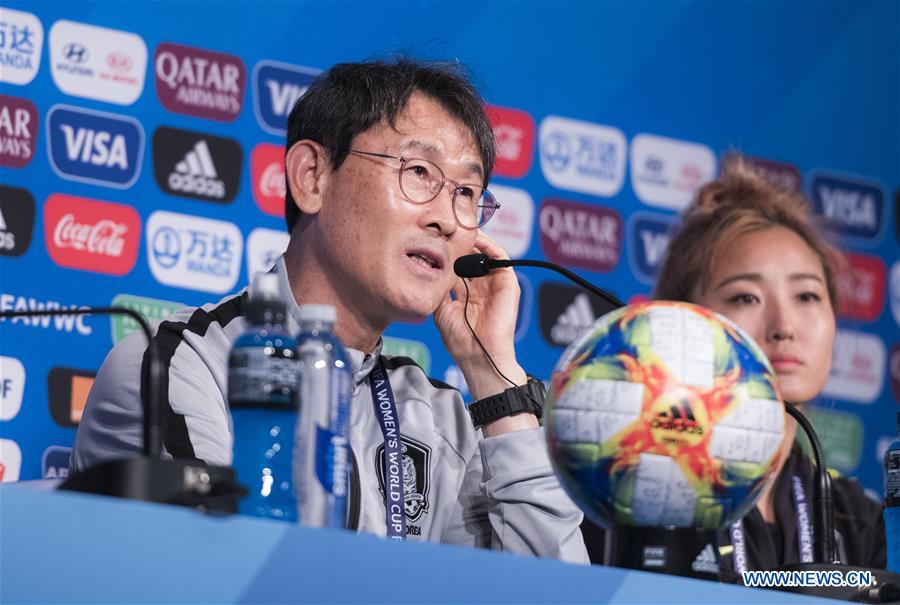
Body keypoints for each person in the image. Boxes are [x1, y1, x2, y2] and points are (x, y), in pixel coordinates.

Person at [71, 57, 587, 561]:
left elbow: (557, 594)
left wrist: (494, 378)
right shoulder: (179, 364)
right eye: (419, 172)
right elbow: (227, 573)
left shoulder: (442, 420)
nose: (448, 221)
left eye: (467, 192)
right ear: (312, 177)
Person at [582, 156, 886, 575]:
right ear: (684, 322)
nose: (784, 327)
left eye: (807, 296)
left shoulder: (859, 520)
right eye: (746, 297)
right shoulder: (630, 487)